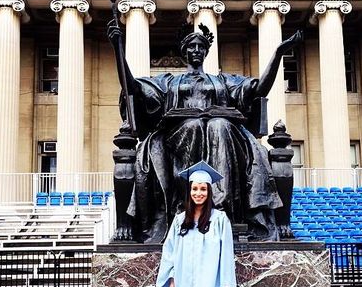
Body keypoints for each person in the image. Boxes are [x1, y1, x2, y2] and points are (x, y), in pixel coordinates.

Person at [108, 20, 302, 243]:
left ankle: (220, 205)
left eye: (201, 47)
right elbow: (133, 88)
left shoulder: (223, 81)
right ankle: (189, 203)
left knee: (219, 125)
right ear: (184, 51)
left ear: (207, 51)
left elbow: (258, 90)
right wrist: (118, 49)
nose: (196, 51)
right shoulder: (168, 82)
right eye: (192, 46)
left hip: (222, 132)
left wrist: (278, 54)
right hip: (178, 133)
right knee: (193, 125)